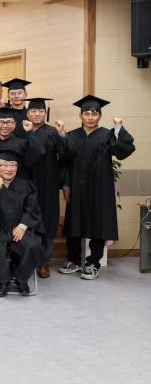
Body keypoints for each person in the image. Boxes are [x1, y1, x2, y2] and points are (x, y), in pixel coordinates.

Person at [59, 95, 135, 280]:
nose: (90, 117)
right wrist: (66, 185)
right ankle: (73, 260)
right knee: (74, 222)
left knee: (98, 223)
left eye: (94, 114)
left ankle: (93, 263)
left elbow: (124, 150)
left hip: (100, 187)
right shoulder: (72, 136)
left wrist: (118, 128)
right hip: (76, 187)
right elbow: (64, 161)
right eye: (87, 114)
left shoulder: (107, 135)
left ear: (100, 116)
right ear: (80, 115)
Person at [0, 144, 44, 297]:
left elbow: (33, 208)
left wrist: (23, 226)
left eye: (13, 165)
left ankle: (21, 279)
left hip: (18, 229)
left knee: (34, 246)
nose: (9, 169)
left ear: (17, 167)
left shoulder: (25, 185)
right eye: (4, 165)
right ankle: (2, 281)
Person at [25, 98, 68, 278]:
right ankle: (27, 262)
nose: (37, 114)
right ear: (28, 113)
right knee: (27, 222)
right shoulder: (22, 130)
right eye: (33, 111)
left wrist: (62, 135)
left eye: (41, 111)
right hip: (27, 183)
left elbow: (65, 156)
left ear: (45, 113)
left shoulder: (53, 132)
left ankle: (44, 263)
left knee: (48, 224)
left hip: (49, 184)